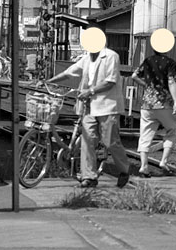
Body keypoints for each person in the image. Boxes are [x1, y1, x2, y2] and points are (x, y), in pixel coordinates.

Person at [47, 38, 131, 188]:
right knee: (87, 140)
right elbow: (69, 72)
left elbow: (110, 81)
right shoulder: (86, 59)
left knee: (110, 141)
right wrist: (49, 81)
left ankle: (124, 170)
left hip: (108, 105)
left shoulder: (111, 56)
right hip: (89, 106)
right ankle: (89, 176)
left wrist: (90, 91)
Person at [130, 43, 176, 177]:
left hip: (147, 104)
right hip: (164, 104)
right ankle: (164, 161)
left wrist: (146, 85)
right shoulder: (170, 63)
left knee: (145, 135)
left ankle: (144, 166)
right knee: (171, 131)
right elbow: (171, 81)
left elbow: (134, 76)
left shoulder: (147, 61)